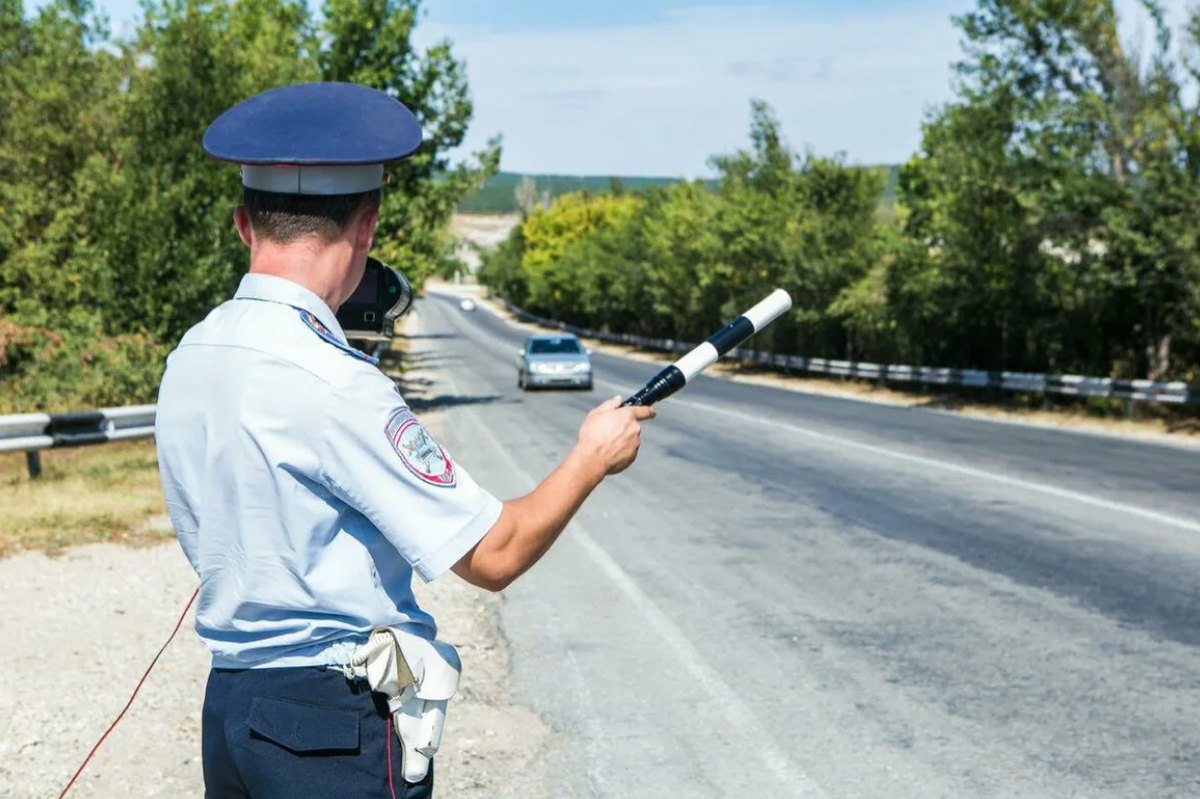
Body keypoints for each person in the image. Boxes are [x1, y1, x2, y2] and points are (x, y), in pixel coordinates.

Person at [154, 82, 655, 799]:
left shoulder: (192, 354)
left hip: (230, 710)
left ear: (243, 224)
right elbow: (494, 553)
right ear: (365, 227)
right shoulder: (338, 384)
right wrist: (591, 456)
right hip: (326, 727)